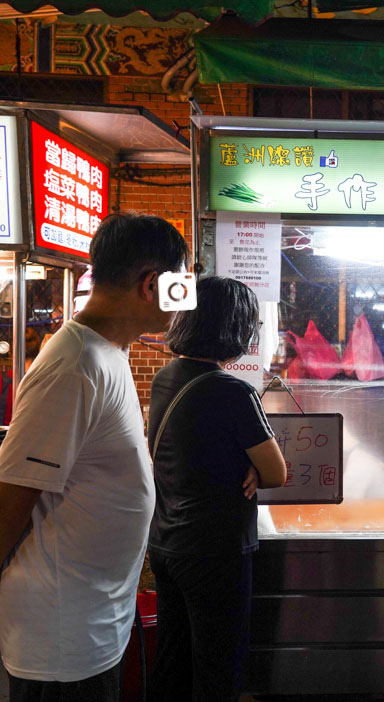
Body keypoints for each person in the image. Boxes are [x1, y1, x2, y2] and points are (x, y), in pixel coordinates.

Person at [0, 213, 189, 701]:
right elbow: (10, 499)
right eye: (179, 285)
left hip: (92, 628)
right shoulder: (74, 366)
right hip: (59, 646)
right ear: (151, 285)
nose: (183, 300)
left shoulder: (109, 352)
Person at [147, 276, 287, 702]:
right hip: (215, 550)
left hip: (167, 544)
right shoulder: (231, 390)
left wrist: (248, 464)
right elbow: (277, 472)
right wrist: (255, 467)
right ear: (235, 327)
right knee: (218, 667)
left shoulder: (165, 376)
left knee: (173, 658)